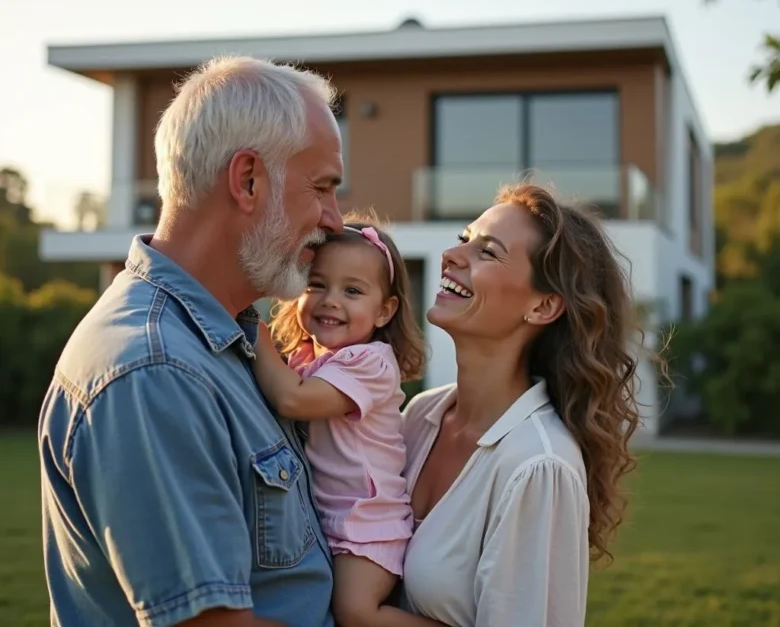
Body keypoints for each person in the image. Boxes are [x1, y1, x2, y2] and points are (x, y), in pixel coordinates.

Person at [38, 56, 345, 627]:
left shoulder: (223, 341)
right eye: (323, 188)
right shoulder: (155, 371)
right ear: (248, 179)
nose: (336, 218)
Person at [400, 183, 659, 627]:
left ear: (543, 306)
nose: (452, 255)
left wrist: (362, 616)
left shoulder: (539, 464)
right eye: (465, 239)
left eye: (488, 252)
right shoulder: (420, 416)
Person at [253, 216, 442, 627]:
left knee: (356, 613)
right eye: (316, 284)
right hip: (328, 517)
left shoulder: (370, 362)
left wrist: (255, 335)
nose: (330, 300)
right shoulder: (308, 358)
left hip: (368, 524)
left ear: (384, 310)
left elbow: (291, 399)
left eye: (352, 291)